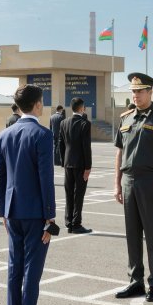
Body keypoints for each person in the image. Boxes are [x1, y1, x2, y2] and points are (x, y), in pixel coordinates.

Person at [0, 84, 58, 305]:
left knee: (14, 269)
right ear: (38, 105)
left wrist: (3, 211)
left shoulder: (5, 134)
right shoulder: (42, 135)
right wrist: (50, 217)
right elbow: (46, 178)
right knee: (32, 271)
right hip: (35, 214)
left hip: (12, 212)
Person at [114, 72, 153, 302]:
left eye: (140, 91)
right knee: (132, 235)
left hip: (151, 182)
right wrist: (117, 184)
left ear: (150, 92)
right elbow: (119, 153)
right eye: (133, 91)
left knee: (152, 236)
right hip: (128, 181)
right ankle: (135, 281)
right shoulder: (126, 117)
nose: (136, 95)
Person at [59, 97, 92, 235]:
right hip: (80, 164)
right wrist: (88, 167)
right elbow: (86, 147)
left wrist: (63, 161)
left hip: (68, 163)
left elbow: (60, 144)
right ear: (81, 108)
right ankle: (76, 223)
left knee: (68, 193)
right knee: (79, 194)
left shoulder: (63, 122)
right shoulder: (85, 124)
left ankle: (68, 222)